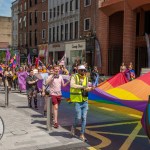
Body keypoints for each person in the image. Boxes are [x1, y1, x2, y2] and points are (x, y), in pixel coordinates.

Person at [70, 65, 94, 142]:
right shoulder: (74, 77)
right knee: (78, 117)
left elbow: (86, 88)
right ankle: (74, 127)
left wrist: (90, 89)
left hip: (85, 101)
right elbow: (72, 85)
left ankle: (82, 134)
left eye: (84, 70)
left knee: (84, 118)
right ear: (78, 70)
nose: (83, 72)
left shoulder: (86, 78)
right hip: (77, 101)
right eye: (82, 70)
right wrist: (82, 86)